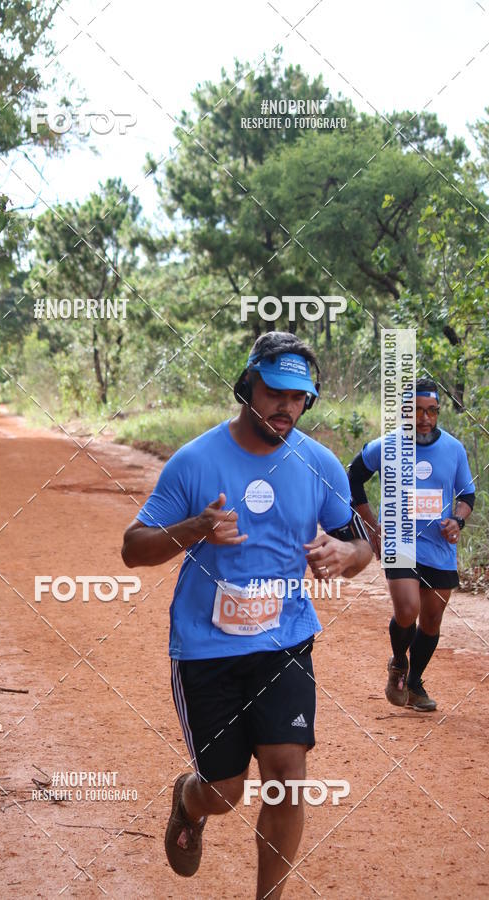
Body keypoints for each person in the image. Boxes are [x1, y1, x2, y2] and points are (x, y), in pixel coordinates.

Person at [121, 332, 373, 898]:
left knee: (287, 780)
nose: (285, 406)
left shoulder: (319, 463)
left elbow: (362, 545)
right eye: (274, 391)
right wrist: (194, 530)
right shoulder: (195, 461)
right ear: (247, 386)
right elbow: (133, 548)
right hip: (208, 649)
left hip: (284, 641)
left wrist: (347, 554)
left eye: (298, 397)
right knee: (226, 790)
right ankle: (190, 799)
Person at [348, 377, 475, 712]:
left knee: (432, 620)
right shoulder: (387, 446)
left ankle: (413, 681)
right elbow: (354, 476)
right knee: (407, 611)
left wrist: (457, 521)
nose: (424, 418)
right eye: (417, 410)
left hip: (438, 546)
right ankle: (398, 664)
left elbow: (467, 495)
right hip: (399, 541)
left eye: (432, 411)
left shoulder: (454, 449)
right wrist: (372, 527)